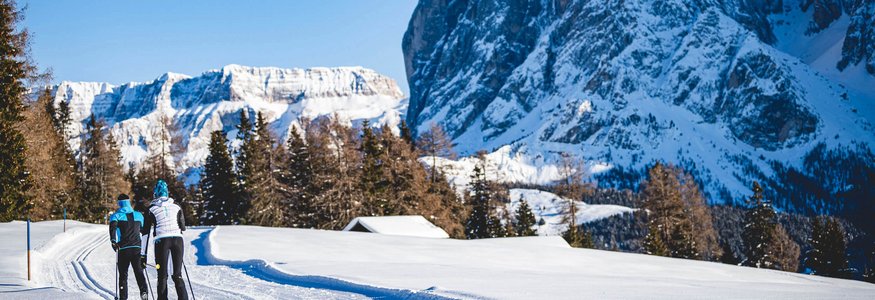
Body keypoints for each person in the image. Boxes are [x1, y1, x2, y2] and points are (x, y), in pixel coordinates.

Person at [141, 180, 188, 300]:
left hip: (161, 242)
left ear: (155, 194)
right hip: (178, 240)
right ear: (167, 193)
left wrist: (143, 256)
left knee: (162, 276)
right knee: (177, 275)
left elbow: (145, 233)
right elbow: (183, 227)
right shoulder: (176, 206)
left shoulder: (151, 209)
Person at [109, 194, 149, 300]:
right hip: (137, 248)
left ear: (119, 203)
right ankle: (144, 291)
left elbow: (112, 230)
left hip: (123, 249)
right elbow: (144, 231)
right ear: (128, 202)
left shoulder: (116, 216)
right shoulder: (139, 215)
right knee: (139, 272)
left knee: (123, 275)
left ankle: (123, 297)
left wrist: (113, 242)